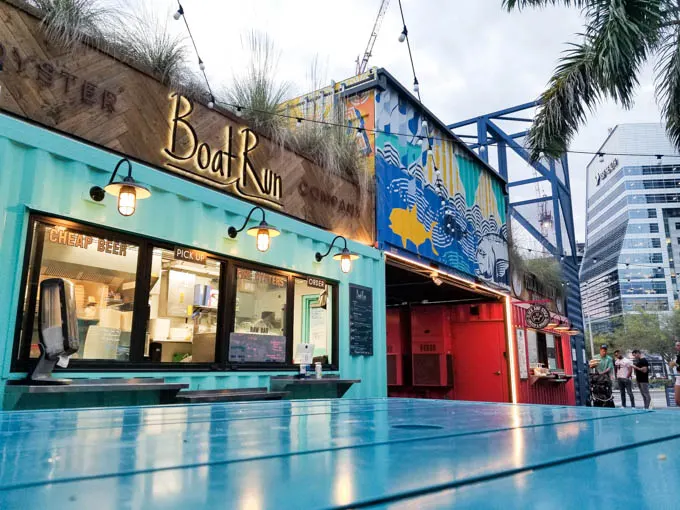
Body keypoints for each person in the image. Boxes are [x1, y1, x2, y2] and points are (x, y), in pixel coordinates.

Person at [669, 340, 680, 407]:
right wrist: (672, 364)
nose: (677, 347)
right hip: (678, 377)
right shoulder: (678, 355)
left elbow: (677, 365)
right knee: (677, 400)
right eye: (676, 345)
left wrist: (676, 364)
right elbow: (673, 365)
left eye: (678, 345)